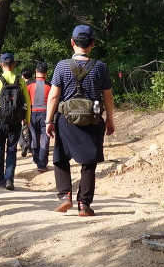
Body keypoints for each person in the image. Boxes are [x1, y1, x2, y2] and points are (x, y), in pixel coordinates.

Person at [46, 24, 116, 217]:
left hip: (66, 121)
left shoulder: (62, 66)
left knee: (61, 157)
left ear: (72, 42)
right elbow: (108, 97)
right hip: (93, 121)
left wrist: (48, 120)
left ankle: (65, 196)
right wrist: (110, 119)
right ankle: (84, 204)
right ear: (92, 44)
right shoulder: (101, 67)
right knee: (89, 162)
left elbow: (53, 96)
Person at [0, 53, 30, 190]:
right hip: (16, 121)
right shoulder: (20, 80)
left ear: (1, 65)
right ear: (14, 65)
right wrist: (27, 119)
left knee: (0, 149)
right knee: (11, 150)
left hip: (0, 120)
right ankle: (9, 179)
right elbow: (27, 102)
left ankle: (0, 179)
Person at [27, 62, 52, 171]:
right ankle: (42, 164)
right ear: (46, 72)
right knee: (45, 137)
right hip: (46, 113)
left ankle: (36, 159)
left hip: (32, 113)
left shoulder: (28, 85)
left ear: (36, 71)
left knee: (34, 137)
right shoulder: (50, 85)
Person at [20, 67, 35, 157]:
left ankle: (24, 144)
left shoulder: (23, 85)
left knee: (21, 129)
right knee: (30, 129)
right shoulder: (34, 84)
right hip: (34, 109)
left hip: (25, 109)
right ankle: (29, 146)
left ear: (23, 76)